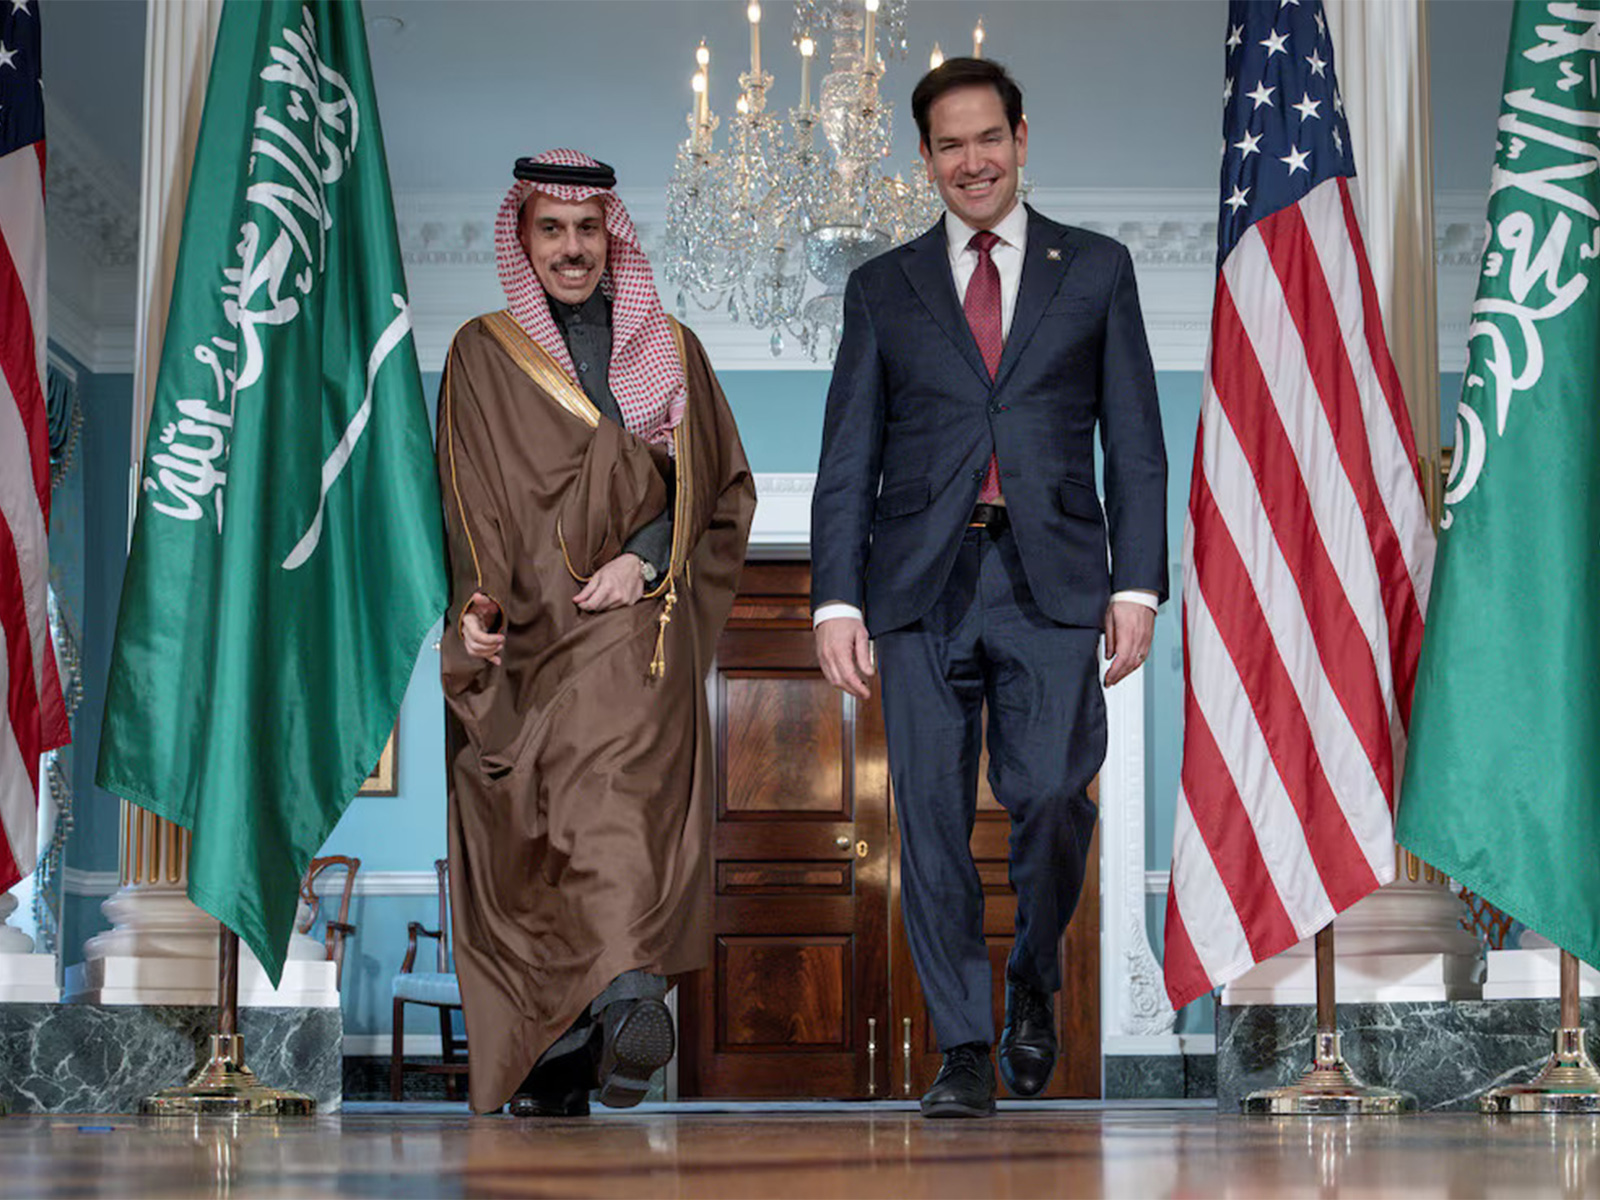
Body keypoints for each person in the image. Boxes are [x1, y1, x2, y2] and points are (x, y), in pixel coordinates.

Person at [810, 59, 1167, 1118]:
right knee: (928, 817)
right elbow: (848, 456)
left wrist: (1139, 584)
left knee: (1051, 792)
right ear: (924, 159)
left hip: (1051, 578)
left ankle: (1033, 976)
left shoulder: (1094, 269)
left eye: (988, 138)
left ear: (1020, 137)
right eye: (950, 145)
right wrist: (837, 600)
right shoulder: (882, 287)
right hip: (917, 586)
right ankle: (963, 1044)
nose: (973, 161)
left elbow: (1135, 442)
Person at [437, 149, 755, 1118]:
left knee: (615, 806)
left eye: (587, 229)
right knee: (530, 840)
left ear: (612, 238)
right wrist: (478, 605)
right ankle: (566, 1056)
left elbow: (715, 483)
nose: (572, 248)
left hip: (631, 623)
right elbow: (466, 491)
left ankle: (628, 998)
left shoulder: (672, 346)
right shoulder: (483, 352)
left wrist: (646, 560)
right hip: (527, 632)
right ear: (522, 237)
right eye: (551, 229)